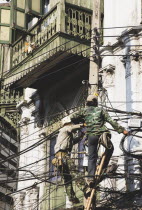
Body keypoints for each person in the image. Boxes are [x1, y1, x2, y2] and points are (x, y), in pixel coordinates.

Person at [70, 95, 128, 186]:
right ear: (95, 102)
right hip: (102, 134)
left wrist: (82, 122)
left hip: (91, 136)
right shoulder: (100, 110)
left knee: (92, 157)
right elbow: (111, 121)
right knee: (110, 148)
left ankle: (90, 178)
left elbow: (72, 117)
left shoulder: (84, 111)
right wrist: (122, 130)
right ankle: (103, 167)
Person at [52, 116, 84, 204]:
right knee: (74, 172)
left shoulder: (65, 135)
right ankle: (85, 188)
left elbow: (72, 142)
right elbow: (71, 128)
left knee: (67, 178)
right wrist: (83, 125)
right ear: (68, 123)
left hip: (59, 158)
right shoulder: (65, 129)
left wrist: (81, 137)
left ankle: (72, 198)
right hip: (63, 156)